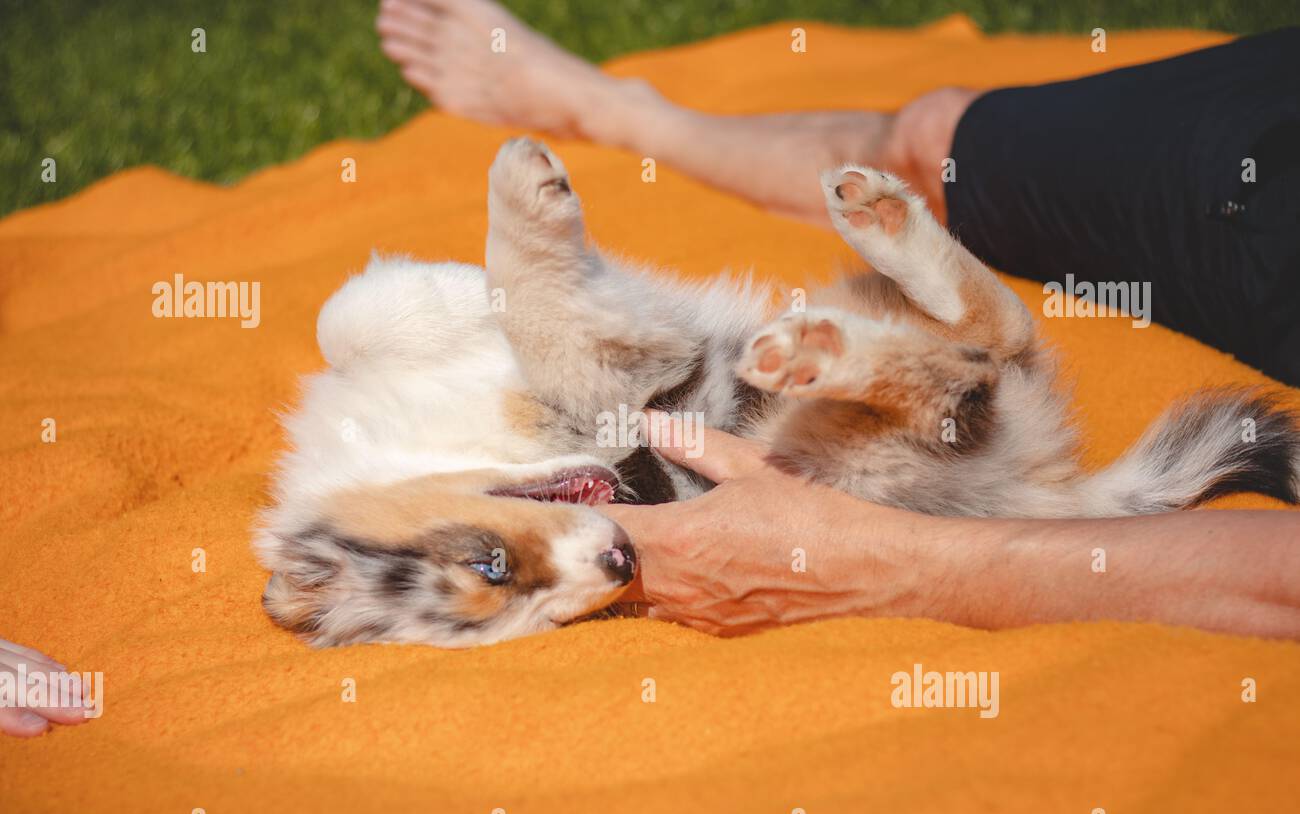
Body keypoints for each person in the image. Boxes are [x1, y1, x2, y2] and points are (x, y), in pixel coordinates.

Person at [376, 0, 1300, 640]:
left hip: (956, 465)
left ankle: (941, 355)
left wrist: (887, 562)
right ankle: (614, 107)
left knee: (835, 433)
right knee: (934, 139)